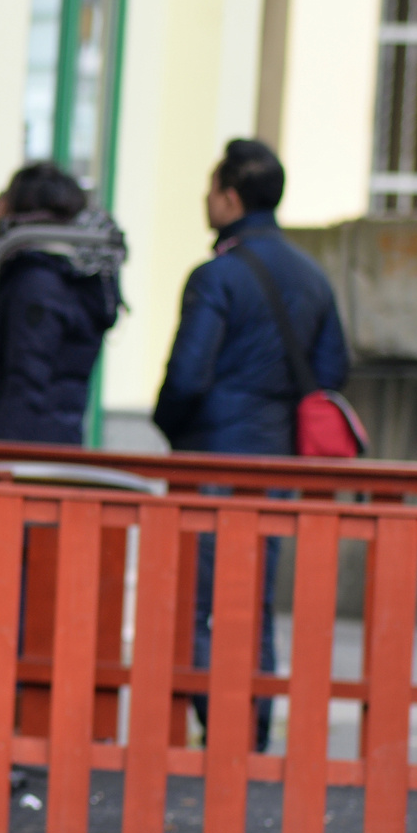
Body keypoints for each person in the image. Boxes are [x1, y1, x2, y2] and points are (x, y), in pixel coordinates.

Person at [152, 138, 352, 749]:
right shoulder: (312, 277)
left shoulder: (217, 276)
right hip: (277, 454)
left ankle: (220, 728)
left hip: (213, 451)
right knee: (255, 597)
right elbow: (332, 369)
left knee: (202, 596)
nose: (206, 201)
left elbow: (187, 376)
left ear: (230, 198)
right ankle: (255, 729)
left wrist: (172, 426)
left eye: (212, 190)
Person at [0, 161, 121, 446]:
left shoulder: (36, 282)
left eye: (4, 197)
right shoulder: (80, 272)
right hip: (58, 439)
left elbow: (26, 381)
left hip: (24, 448)